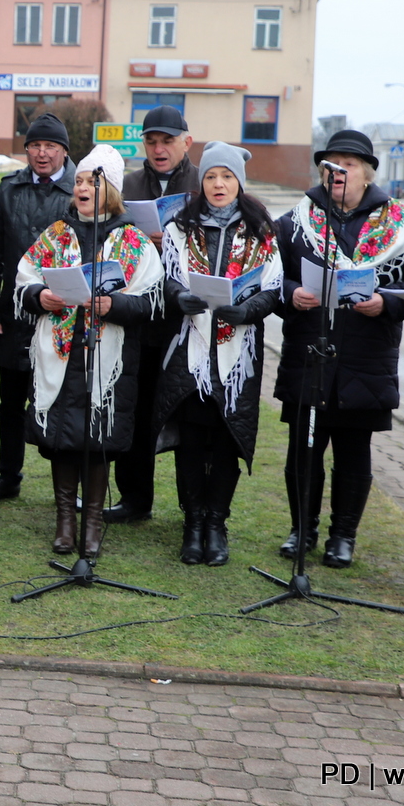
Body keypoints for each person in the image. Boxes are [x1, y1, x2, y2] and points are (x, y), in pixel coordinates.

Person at [274, 129, 404, 568]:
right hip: (309, 352)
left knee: (353, 452)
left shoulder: (401, 226)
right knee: (303, 451)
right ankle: (301, 530)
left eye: (349, 163)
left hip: (366, 355)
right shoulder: (297, 221)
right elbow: (271, 278)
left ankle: (343, 536)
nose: (339, 171)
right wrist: (292, 292)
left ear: (368, 172)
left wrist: (388, 302)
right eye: (332, 163)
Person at [15, 146, 162, 556]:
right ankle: (65, 521)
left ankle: (92, 523)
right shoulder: (57, 233)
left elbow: (152, 299)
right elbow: (24, 279)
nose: (82, 187)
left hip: (106, 357)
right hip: (60, 353)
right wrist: (40, 296)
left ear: (110, 188)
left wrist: (114, 305)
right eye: (78, 180)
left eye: (92, 181)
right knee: (62, 438)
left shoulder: (132, 239)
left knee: (97, 441)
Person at [154, 142, 282, 566]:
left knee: (227, 438)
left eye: (226, 176)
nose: (218, 184)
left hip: (236, 353)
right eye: (211, 176)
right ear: (201, 182)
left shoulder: (261, 230)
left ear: (239, 182)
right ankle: (192, 525)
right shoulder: (180, 227)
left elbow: (273, 288)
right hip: (190, 351)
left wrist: (248, 309)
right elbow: (167, 278)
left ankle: (217, 524)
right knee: (191, 440)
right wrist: (180, 297)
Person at [0, 112, 75, 503]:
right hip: (16, 315)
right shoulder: (9, 188)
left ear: (64, 151)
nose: (42, 153)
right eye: (35, 145)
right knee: (10, 402)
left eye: (51, 146)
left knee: (61, 400)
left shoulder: (79, 188)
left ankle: (65, 485)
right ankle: (7, 476)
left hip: (62, 315)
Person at [107, 104, 201, 524]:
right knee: (135, 408)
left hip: (190, 322)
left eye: (167, 141)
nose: (159, 149)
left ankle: (193, 506)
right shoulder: (128, 184)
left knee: (190, 415)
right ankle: (134, 498)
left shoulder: (206, 182)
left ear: (187, 142)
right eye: (152, 141)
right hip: (140, 317)